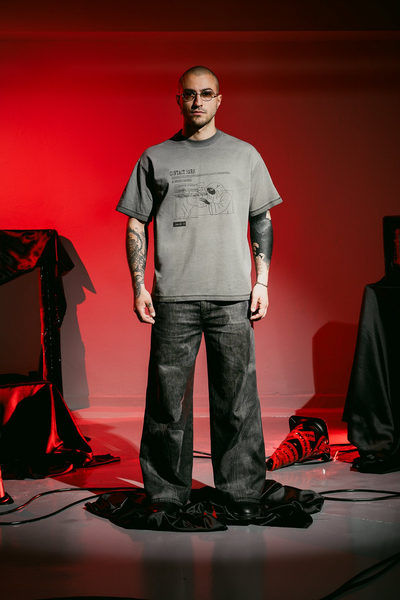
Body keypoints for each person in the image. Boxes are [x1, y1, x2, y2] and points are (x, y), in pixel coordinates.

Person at [116, 66, 282, 520]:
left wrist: (262, 282)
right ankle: (167, 492)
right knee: (167, 403)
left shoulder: (245, 155)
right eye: (189, 94)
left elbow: (262, 219)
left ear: (219, 100)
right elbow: (136, 223)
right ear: (178, 100)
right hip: (174, 297)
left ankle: (242, 490)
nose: (197, 102)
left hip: (232, 297)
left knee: (238, 402)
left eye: (206, 94)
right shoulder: (155, 157)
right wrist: (138, 285)